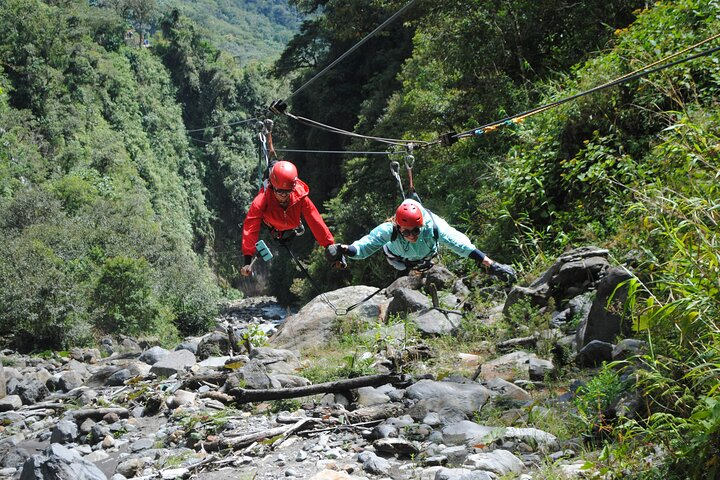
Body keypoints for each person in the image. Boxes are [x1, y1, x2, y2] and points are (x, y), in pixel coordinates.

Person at [326, 199, 516, 282]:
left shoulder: (433, 226)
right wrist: (344, 249)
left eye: (416, 230)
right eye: (406, 232)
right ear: (398, 226)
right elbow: (365, 246)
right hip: (400, 260)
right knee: (400, 268)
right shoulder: (388, 230)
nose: (412, 235)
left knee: (432, 253)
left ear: (421, 224)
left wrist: (490, 263)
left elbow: (459, 243)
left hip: (426, 257)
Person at [241, 160, 335, 276]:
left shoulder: (300, 196)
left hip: (290, 224)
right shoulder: (261, 201)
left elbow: (314, 220)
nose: (283, 196)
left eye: (287, 192)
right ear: (273, 186)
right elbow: (250, 228)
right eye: (279, 191)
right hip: (274, 224)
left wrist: (329, 245)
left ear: (293, 188)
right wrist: (247, 260)